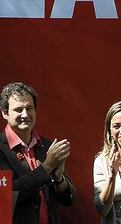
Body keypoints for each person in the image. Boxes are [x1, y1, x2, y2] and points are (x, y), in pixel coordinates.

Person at [0, 82, 74, 224]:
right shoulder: (1, 149)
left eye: (29, 108)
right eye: (18, 109)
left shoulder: (46, 146)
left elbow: (67, 200)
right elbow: (6, 195)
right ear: (5, 113)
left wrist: (59, 180)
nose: (25, 114)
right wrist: (46, 167)